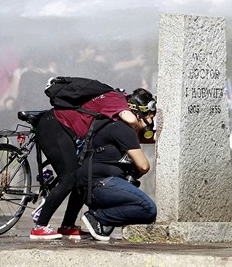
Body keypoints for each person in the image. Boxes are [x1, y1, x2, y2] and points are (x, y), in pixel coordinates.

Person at [30, 82, 141, 240]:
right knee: (68, 178)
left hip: (63, 128)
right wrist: (140, 126)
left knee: (81, 176)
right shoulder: (117, 100)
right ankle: (39, 227)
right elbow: (130, 120)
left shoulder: (109, 100)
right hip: (55, 126)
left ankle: (67, 225)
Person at [78, 88, 157, 241]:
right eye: (150, 117)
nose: (151, 122)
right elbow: (144, 166)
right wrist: (135, 174)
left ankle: (101, 216)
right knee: (148, 208)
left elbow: (149, 138)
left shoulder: (118, 126)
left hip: (95, 184)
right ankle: (98, 217)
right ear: (139, 114)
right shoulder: (123, 130)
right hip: (100, 184)